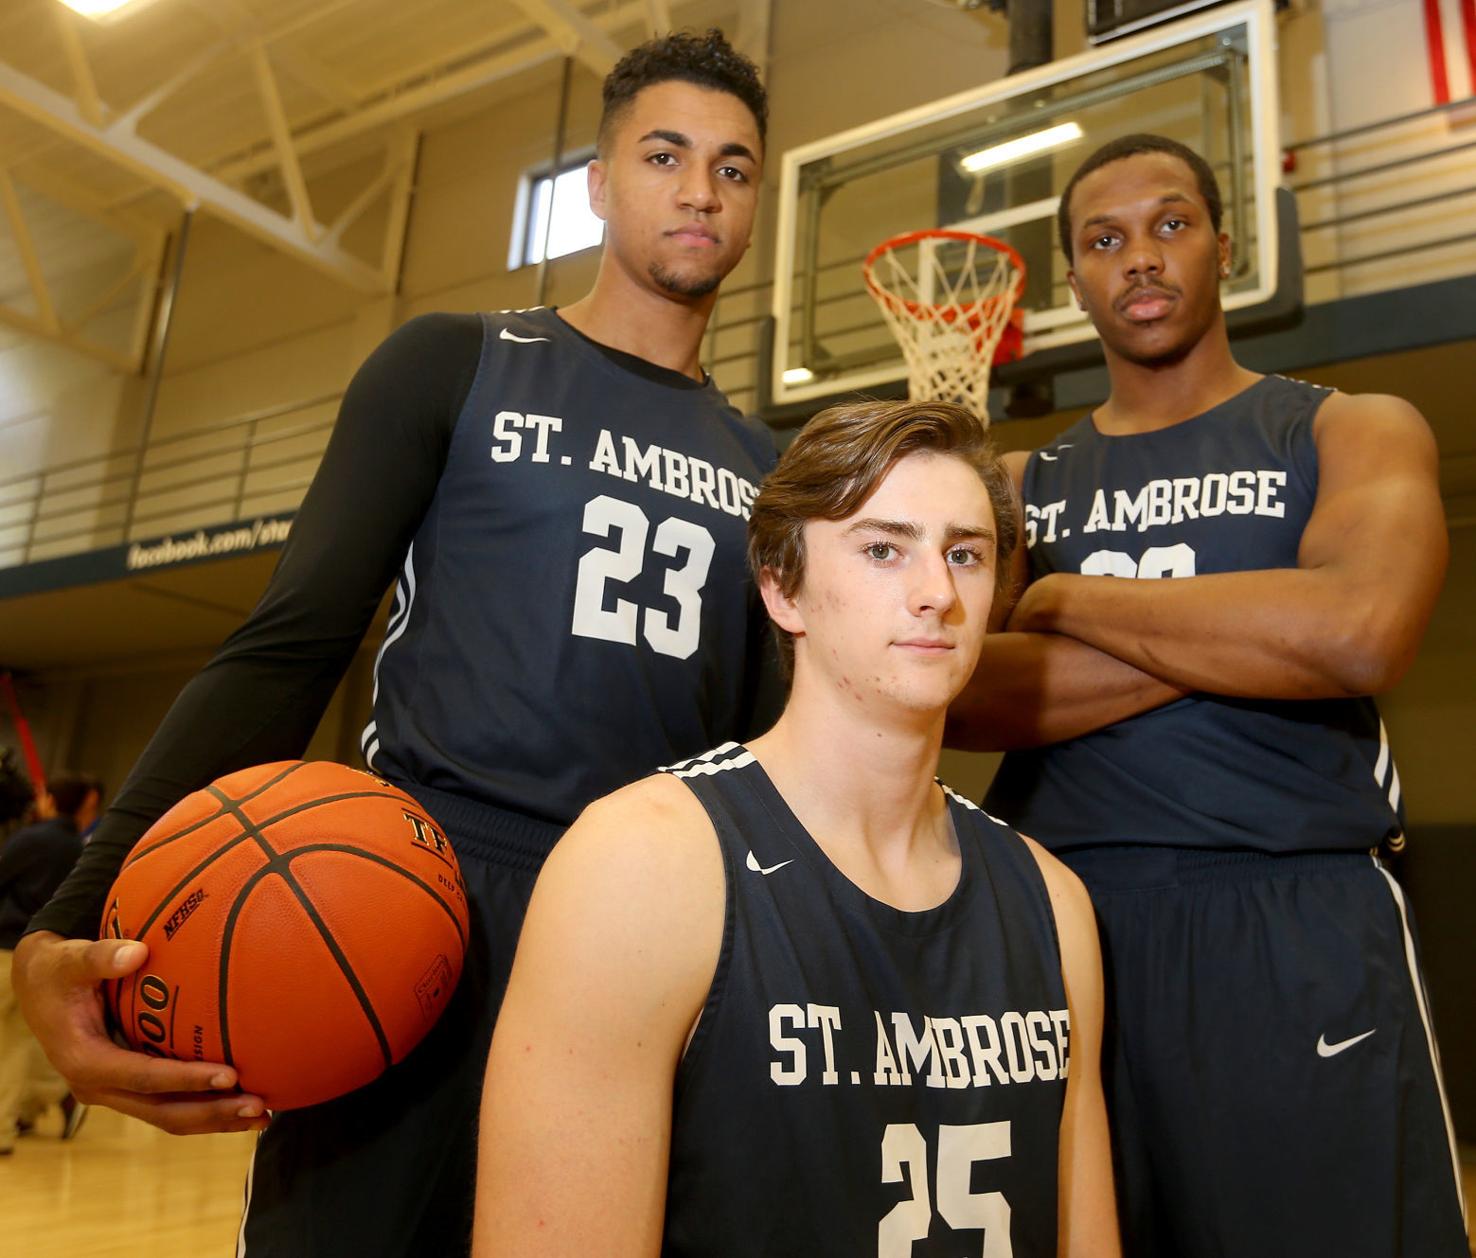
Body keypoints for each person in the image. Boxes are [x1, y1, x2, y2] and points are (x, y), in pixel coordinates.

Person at [14, 29, 776, 1257]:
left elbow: (765, 751)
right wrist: (71, 910)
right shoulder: (455, 362)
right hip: (418, 903)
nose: (701, 190)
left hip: (646, 928)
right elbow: (288, 643)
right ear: (598, 180)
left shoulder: (769, 471)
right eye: (667, 154)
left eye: (735, 168)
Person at [947, 133, 1466, 1256]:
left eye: (1171, 224)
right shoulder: (1027, 482)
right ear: (1075, 279)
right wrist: (1255, 627)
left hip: (1294, 915)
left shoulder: (1348, 426)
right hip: (1072, 922)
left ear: (1227, 248)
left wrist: (1068, 599)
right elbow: (962, 693)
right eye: (1105, 238)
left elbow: (1358, 632)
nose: (1141, 256)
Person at [474, 400, 1120, 1257]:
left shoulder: (1052, 901)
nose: (938, 593)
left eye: (965, 554)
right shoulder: (642, 864)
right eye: (884, 548)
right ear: (782, 588)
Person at [1, 773, 103, 1152]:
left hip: (7, 950)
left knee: (10, 1044)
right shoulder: (83, 852)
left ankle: (5, 1127)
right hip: (48, 958)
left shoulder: (31, 840)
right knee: (23, 1041)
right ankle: (46, 1098)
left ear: (50, 801)